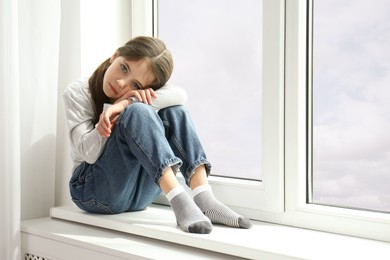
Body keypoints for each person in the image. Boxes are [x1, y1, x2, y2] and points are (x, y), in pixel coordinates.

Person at [63, 36, 251, 234]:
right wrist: (112, 113)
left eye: (135, 85)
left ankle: (205, 199)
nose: (121, 83)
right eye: (124, 67)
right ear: (115, 56)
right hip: (93, 192)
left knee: (174, 111)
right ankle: (180, 202)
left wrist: (126, 102)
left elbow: (180, 96)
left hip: (138, 196)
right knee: (138, 112)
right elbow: (87, 153)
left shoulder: (135, 95)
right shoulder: (78, 91)